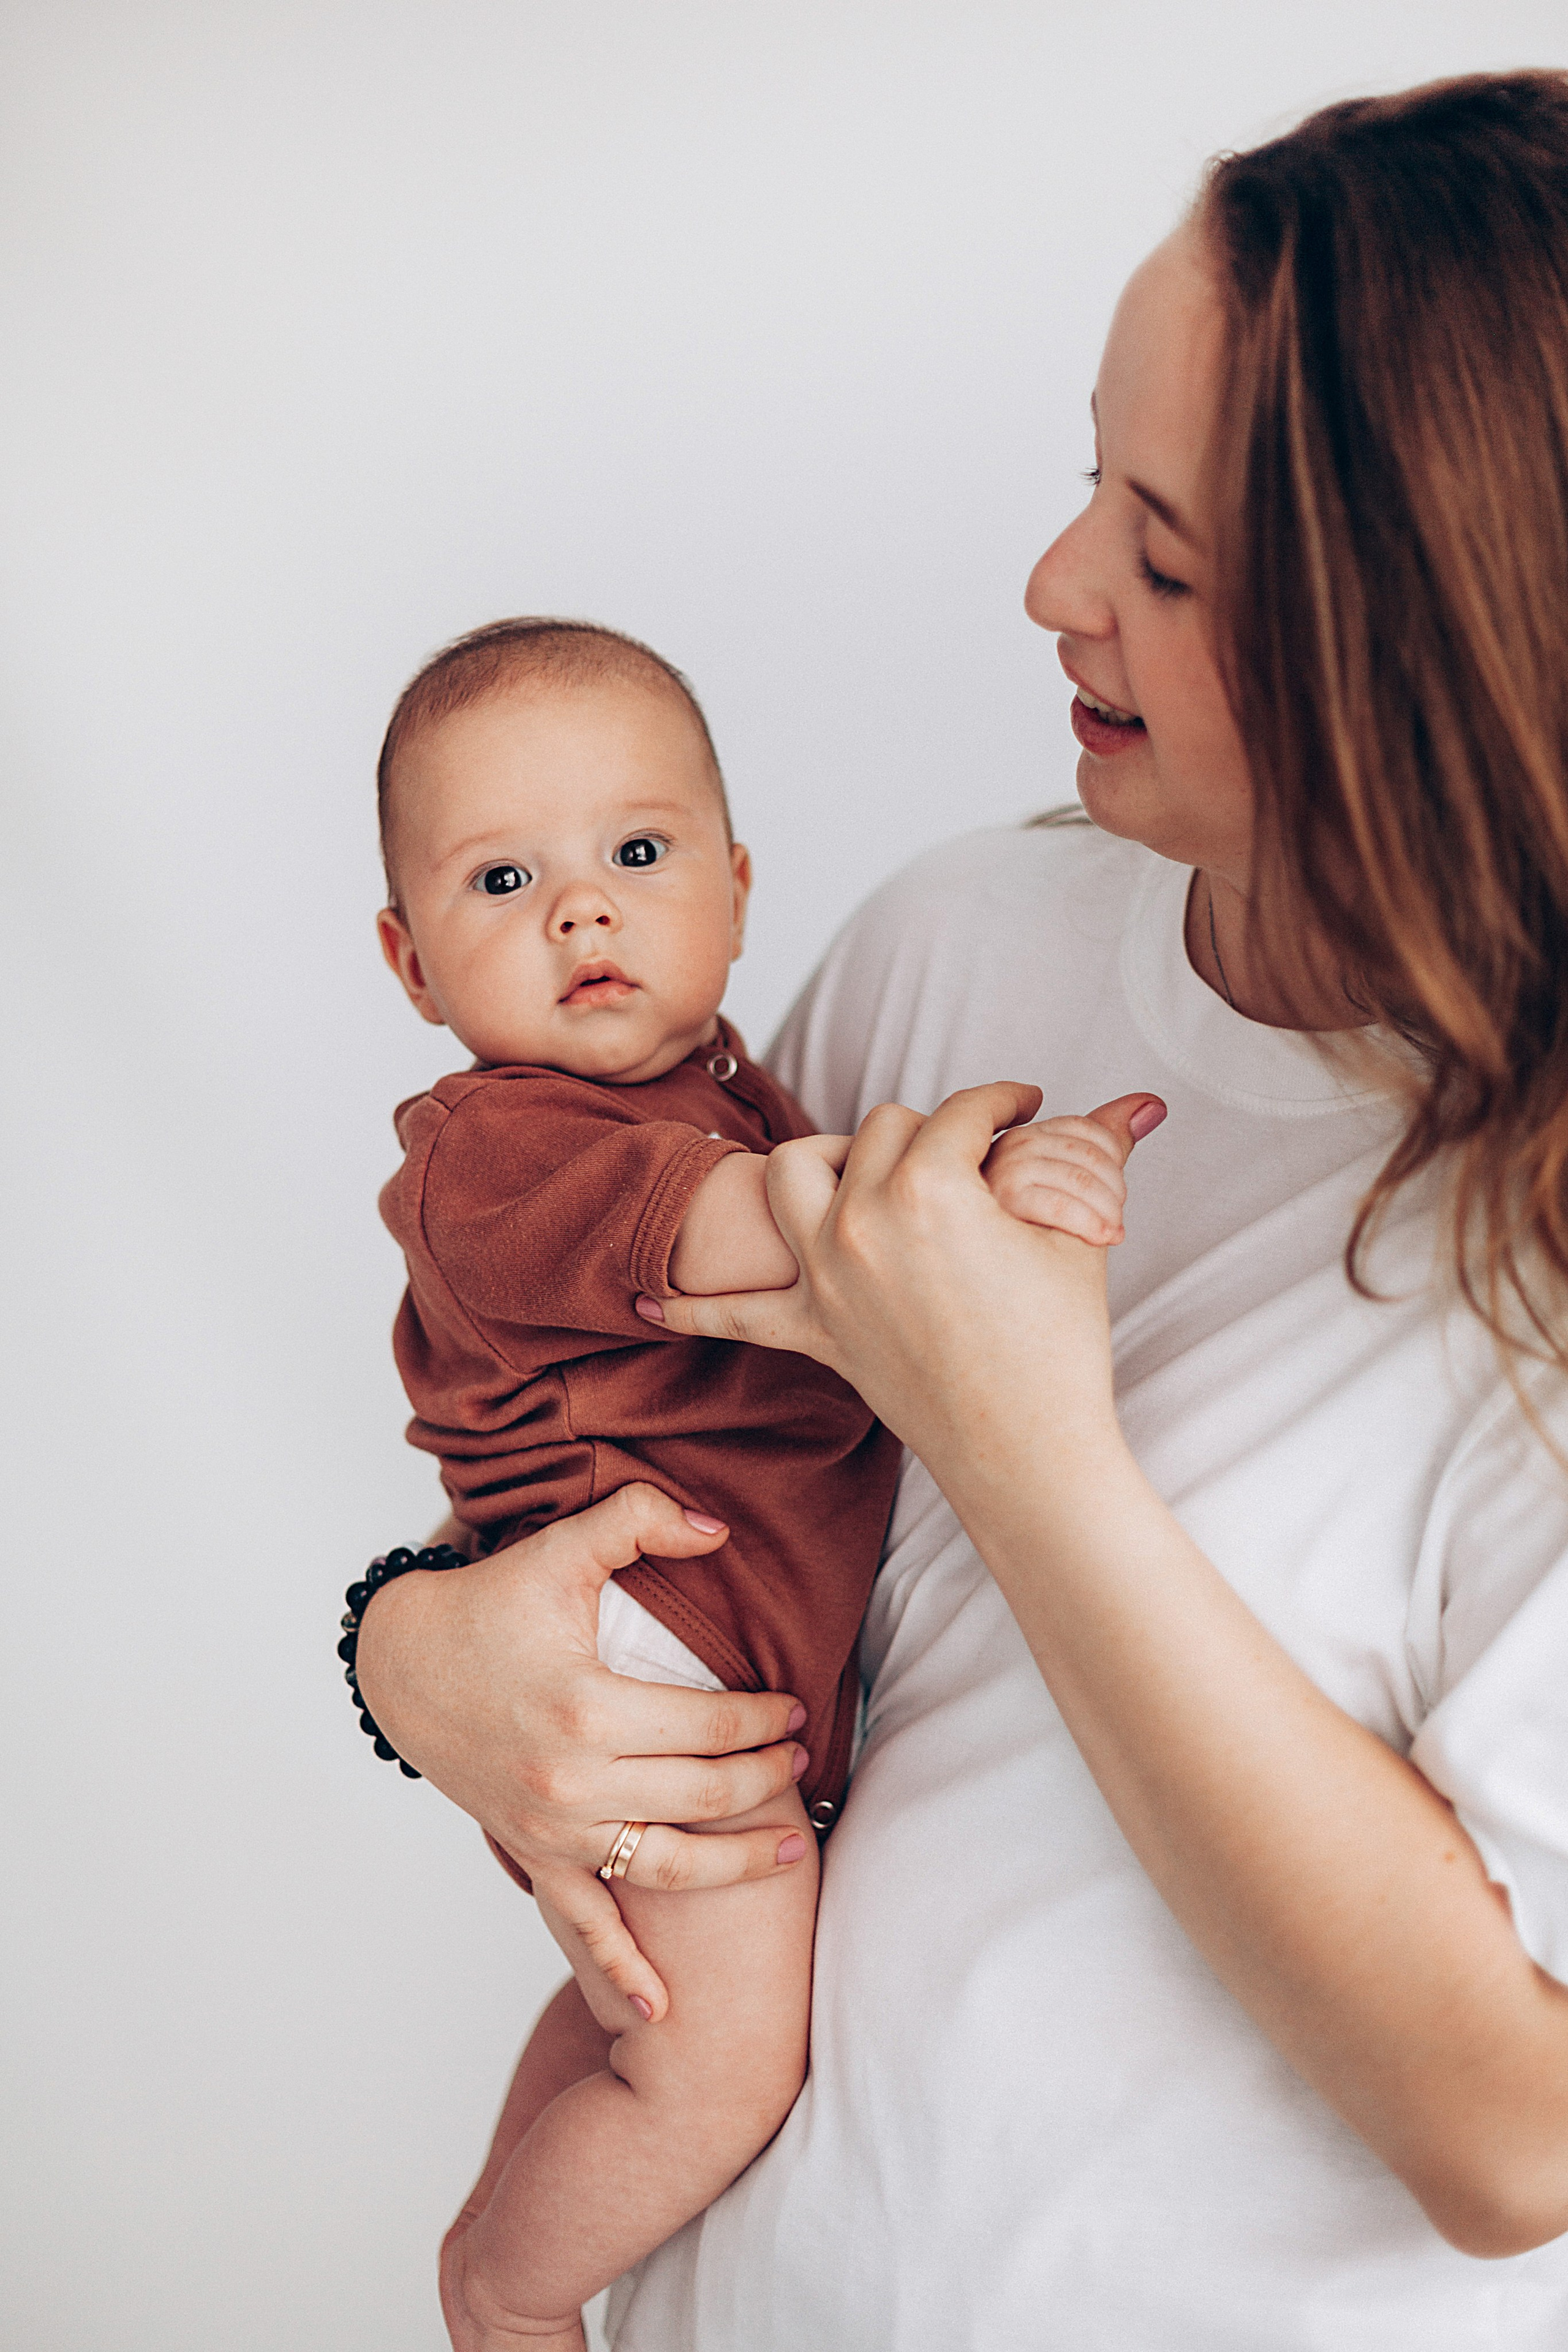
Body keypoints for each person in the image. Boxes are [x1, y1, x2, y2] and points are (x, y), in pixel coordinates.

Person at [355, 72, 1568, 2349]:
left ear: (1432, 658)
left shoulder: (1531, 1275)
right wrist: (415, 1649)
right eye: (1086, 478)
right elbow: (619, 1387)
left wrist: (1021, 1430)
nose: (1052, 585)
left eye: (1171, 553)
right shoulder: (959, 946)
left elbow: (1521, 2145)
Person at [369, 616, 1157, 2349]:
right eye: (501, 881)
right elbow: (755, 1242)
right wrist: (998, 1176)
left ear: (734, 887)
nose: (581, 911)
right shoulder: (497, 1157)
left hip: (711, 1648)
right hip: (652, 1658)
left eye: (636, 857)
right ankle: (506, 2295)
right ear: (409, 960)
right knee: (724, 2065)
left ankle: (493, 2250)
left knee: (641, 2009)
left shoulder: (712, 1086)